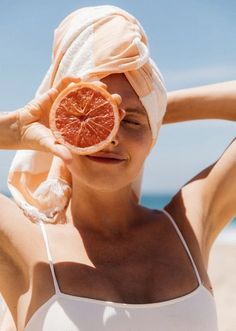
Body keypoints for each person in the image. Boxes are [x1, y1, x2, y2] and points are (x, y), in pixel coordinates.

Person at [0, 5, 235, 331]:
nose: (111, 138)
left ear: (153, 135)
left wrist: (157, 106)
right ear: (59, 123)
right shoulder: (24, 241)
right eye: (90, 115)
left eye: (132, 122)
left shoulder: (188, 226)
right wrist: (11, 129)